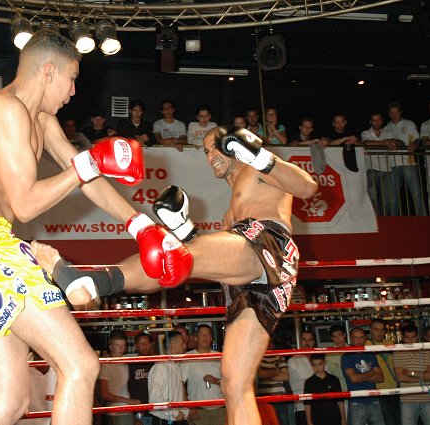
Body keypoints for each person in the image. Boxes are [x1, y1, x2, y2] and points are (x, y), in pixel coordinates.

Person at [0, 29, 191, 425]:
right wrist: (89, 163)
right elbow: (26, 203)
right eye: (71, 79)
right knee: (80, 365)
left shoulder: (40, 118)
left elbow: (86, 176)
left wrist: (140, 225)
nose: (73, 91)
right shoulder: (4, 107)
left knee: (8, 401)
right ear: (49, 71)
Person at [31, 125, 318, 425]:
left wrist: (258, 155)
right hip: (252, 278)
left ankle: (95, 281)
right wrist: (187, 231)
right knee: (234, 384)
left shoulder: (257, 168)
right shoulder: (230, 214)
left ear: (232, 143)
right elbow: (219, 260)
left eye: (216, 146)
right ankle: (95, 282)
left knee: (171, 253)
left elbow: (307, 187)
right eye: (205, 151)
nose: (210, 155)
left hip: (267, 244)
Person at [383, 101, 427, 216]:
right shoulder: (386, 128)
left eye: (396, 113)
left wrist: (414, 145)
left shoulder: (409, 123)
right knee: (393, 198)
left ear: (400, 112)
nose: (394, 115)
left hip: (408, 163)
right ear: (389, 114)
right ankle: (396, 221)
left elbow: (417, 139)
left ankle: (423, 219)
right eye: (392, 113)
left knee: (416, 194)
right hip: (391, 165)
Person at [180, 324, 226, 425]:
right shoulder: (188, 357)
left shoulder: (219, 356)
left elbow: (228, 382)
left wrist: (216, 381)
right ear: (196, 338)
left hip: (220, 409)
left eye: (207, 334)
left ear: (211, 338)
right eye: (201, 334)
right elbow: (180, 384)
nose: (205, 337)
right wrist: (189, 407)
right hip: (198, 411)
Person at [393, 325, 430, 425]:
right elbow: (400, 377)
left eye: (413, 337)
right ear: (403, 338)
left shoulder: (427, 350)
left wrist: (411, 373)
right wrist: (424, 377)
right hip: (407, 399)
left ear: (418, 336)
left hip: (428, 397)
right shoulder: (398, 352)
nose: (410, 341)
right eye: (407, 338)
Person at [341, 328, 384, 425]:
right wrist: (370, 373)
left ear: (365, 338)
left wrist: (361, 376)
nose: (359, 340)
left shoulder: (370, 354)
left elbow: (380, 377)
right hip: (357, 401)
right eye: (356, 338)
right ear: (351, 339)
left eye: (361, 337)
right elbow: (354, 379)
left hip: (373, 399)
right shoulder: (347, 356)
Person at [148, 331, 190, 425]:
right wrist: (175, 413)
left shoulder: (175, 365)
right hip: (165, 419)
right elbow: (155, 398)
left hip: (177, 417)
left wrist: (185, 411)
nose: (185, 346)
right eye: (182, 343)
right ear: (172, 344)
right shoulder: (160, 366)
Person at [98, 330, 138, 425]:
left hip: (128, 410)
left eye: (123, 345)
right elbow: (104, 393)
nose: (121, 348)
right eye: (117, 345)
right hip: (116, 412)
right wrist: (128, 401)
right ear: (111, 347)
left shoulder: (125, 362)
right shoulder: (106, 365)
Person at [361, 113, 398, 216]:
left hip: (386, 168)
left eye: (378, 120)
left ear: (381, 121)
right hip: (371, 168)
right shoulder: (366, 133)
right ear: (370, 122)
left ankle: (387, 218)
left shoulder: (387, 133)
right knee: (371, 192)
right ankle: (378, 216)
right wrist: (384, 143)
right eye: (374, 120)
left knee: (387, 198)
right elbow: (366, 143)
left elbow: (399, 143)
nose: (376, 122)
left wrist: (392, 142)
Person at [365, 318, 400, 425]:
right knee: (387, 421)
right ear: (371, 330)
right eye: (376, 329)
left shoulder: (390, 343)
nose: (379, 332)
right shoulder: (366, 345)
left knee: (399, 420)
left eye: (382, 329)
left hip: (395, 388)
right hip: (379, 390)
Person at [303, 354, 347, 425]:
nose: (317, 367)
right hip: (317, 419)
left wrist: (343, 419)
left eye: (320, 364)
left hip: (334, 418)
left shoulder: (334, 379)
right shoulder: (309, 382)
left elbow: (340, 401)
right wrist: (309, 422)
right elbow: (307, 404)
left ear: (325, 363)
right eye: (314, 365)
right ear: (311, 365)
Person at [257, 340, 290, 425]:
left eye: (270, 342)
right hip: (263, 400)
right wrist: (277, 371)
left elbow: (286, 376)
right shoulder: (257, 357)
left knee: (282, 422)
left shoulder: (279, 356)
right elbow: (259, 374)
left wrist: (266, 376)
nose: (268, 344)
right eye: (266, 341)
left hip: (279, 399)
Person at [289, 330, 316, 425]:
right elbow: (297, 385)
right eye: (304, 339)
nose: (307, 342)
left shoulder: (319, 358)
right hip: (301, 406)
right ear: (300, 341)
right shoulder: (293, 360)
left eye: (310, 339)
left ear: (313, 342)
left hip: (320, 405)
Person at [128, 332, 155, 425]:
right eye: (141, 343)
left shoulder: (157, 363)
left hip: (156, 409)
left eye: (146, 343)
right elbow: (129, 388)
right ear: (136, 346)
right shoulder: (131, 364)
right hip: (139, 410)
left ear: (151, 345)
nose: (144, 345)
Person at [325, 325, 349, 393]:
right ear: (331, 338)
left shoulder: (353, 351)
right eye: (335, 336)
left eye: (340, 335)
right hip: (338, 389)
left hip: (355, 387)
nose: (338, 339)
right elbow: (328, 374)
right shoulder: (328, 355)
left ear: (344, 335)